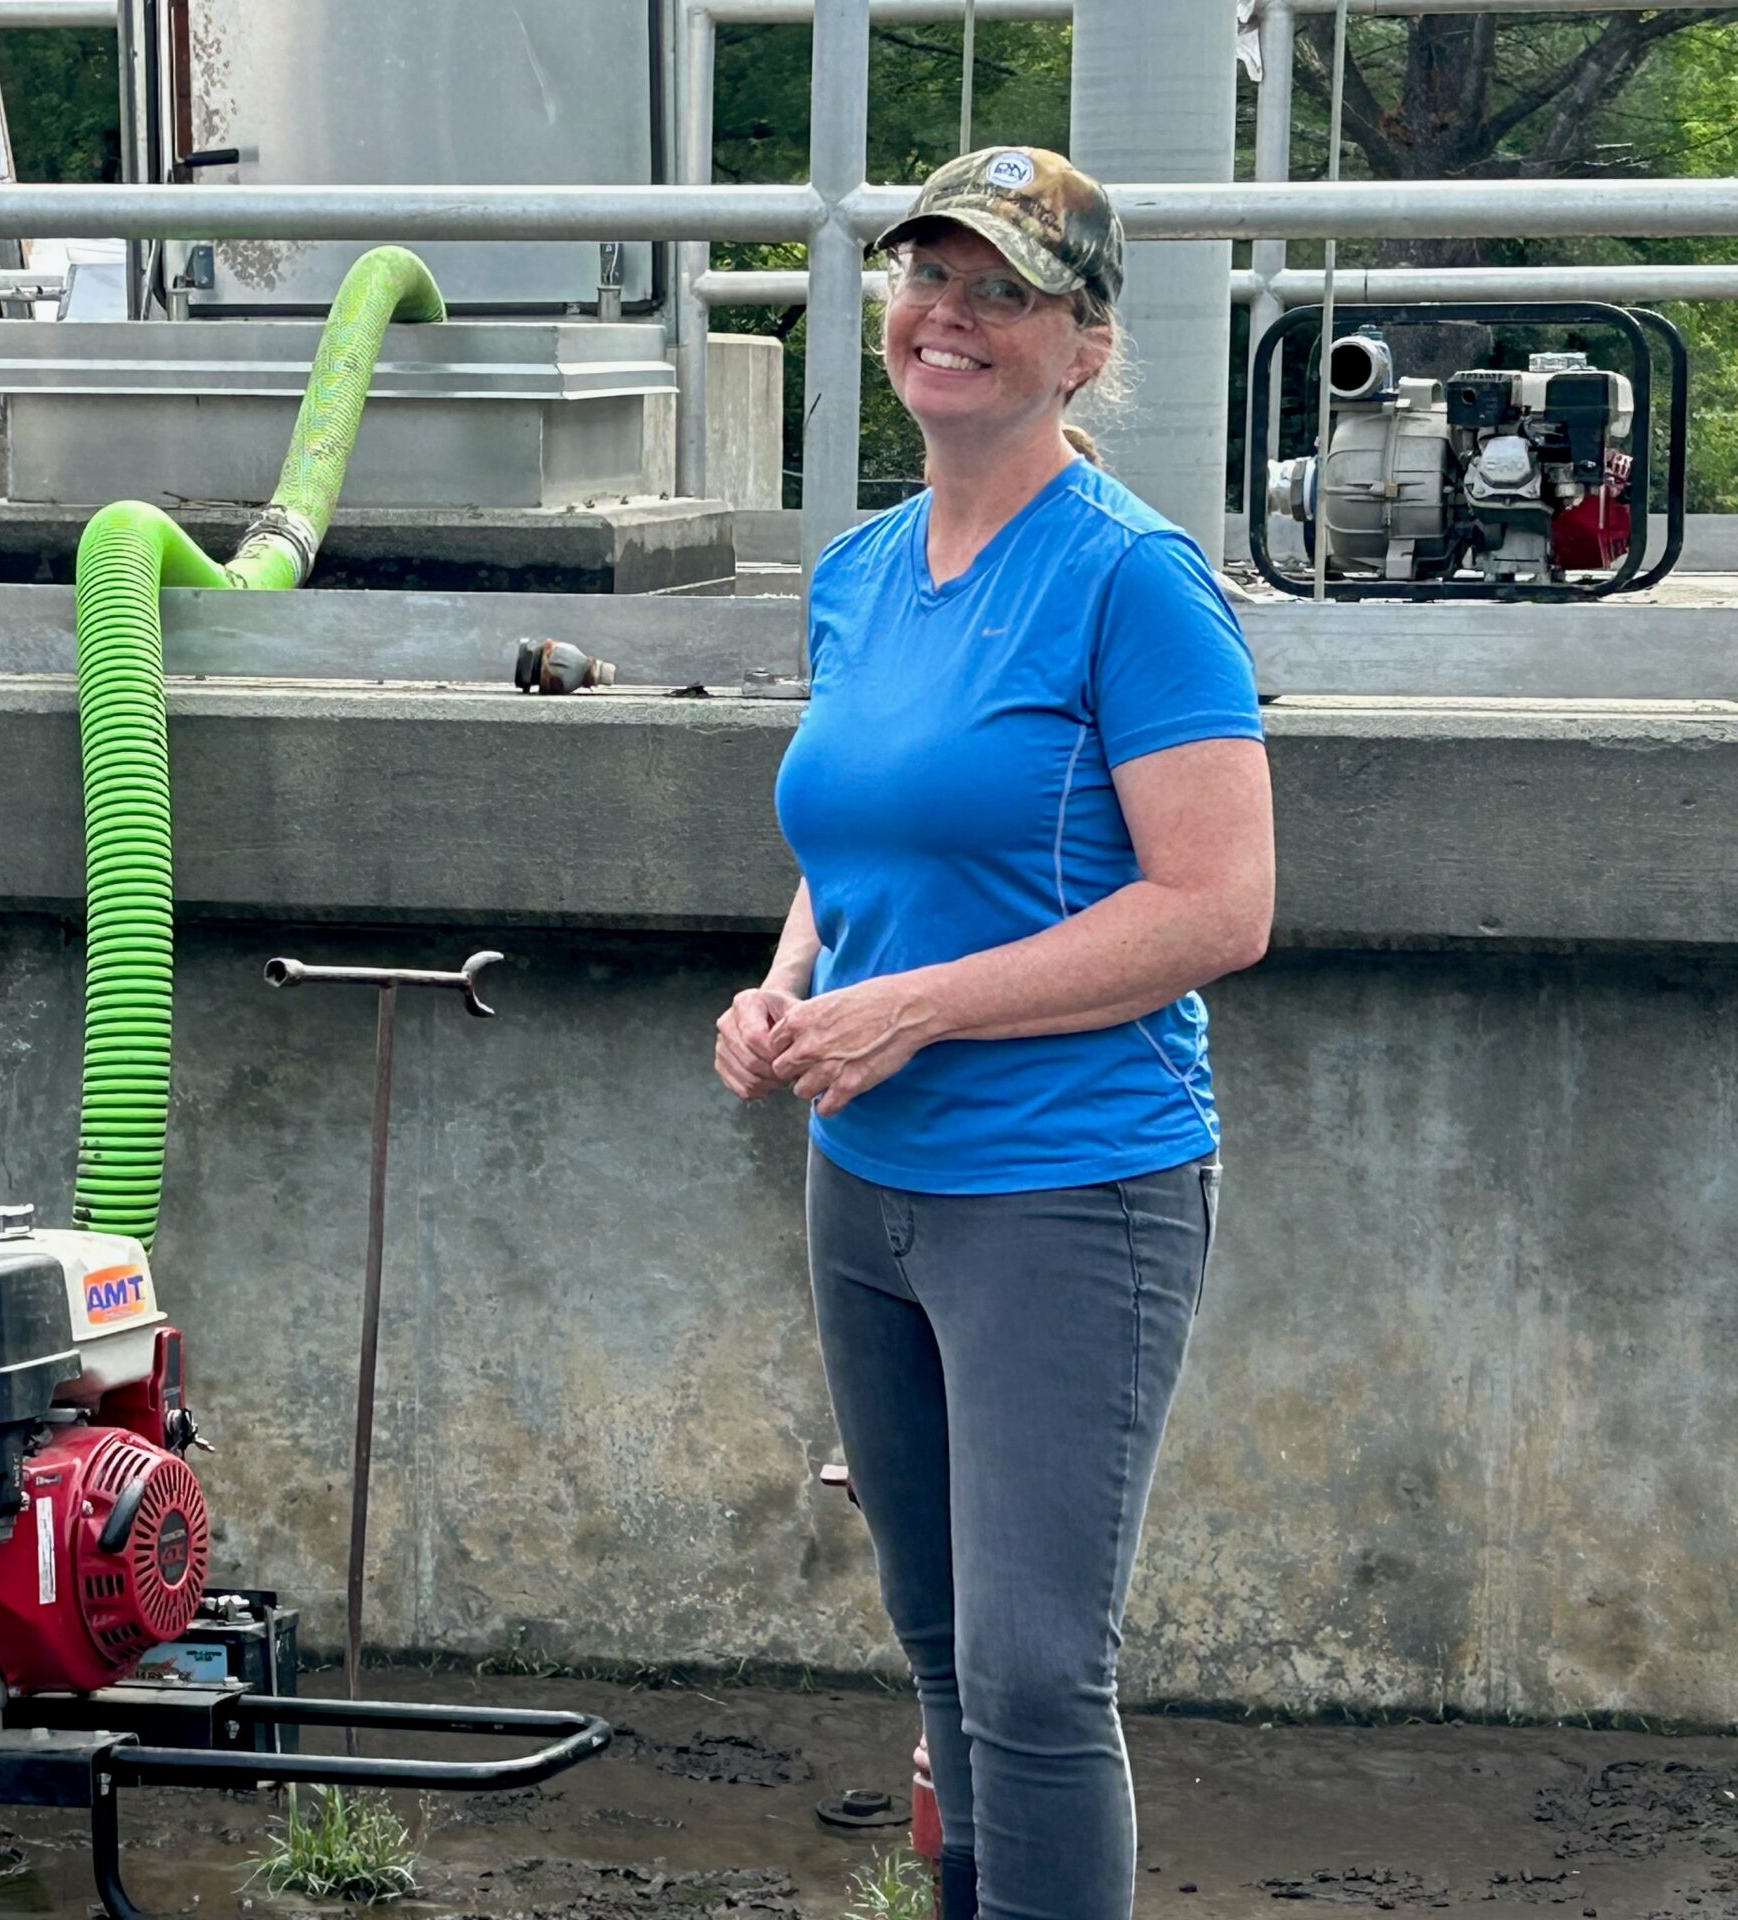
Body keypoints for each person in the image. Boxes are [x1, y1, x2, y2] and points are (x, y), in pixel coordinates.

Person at [713, 148, 1274, 1920]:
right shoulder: (861, 572)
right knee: (948, 1669)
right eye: (926, 277)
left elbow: (1217, 910)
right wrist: (793, 981)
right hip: (862, 1182)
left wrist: (922, 1006)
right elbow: (862, 840)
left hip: (1068, 1187)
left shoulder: (1135, 580)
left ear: (1088, 347)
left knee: (1038, 1680)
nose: (949, 315)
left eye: (1004, 290)